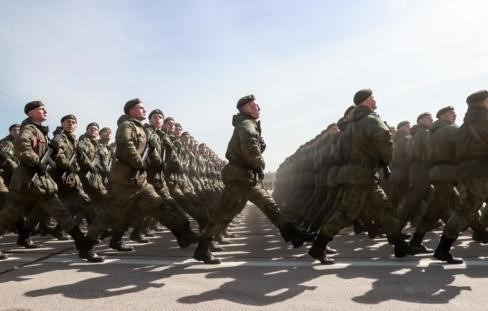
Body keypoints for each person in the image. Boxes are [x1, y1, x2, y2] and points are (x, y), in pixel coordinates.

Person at [193, 94, 315, 264]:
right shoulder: (246, 124)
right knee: (229, 213)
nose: (259, 108)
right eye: (255, 105)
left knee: (264, 207)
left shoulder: (250, 124)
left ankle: (294, 236)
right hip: (240, 178)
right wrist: (259, 163)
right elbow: (249, 146)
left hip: (245, 177)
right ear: (247, 108)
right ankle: (202, 248)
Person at [308, 89, 414, 264]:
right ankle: (318, 247)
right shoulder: (371, 120)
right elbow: (384, 139)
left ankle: (400, 245)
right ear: (366, 101)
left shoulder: (349, 127)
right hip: (363, 175)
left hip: (357, 174)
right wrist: (386, 160)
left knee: (384, 208)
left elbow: (338, 152)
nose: (375, 100)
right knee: (346, 213)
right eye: (372, 98)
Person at [0, 101, 99, 262]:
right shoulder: (29, 129)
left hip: (41, 182)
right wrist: (36, 162)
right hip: (25, 181)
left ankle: (83, 247)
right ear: (30, 113)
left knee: (61, 212)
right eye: (41, 109)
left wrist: (49, 152)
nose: (45, 111)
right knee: (8, 216)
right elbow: (22, 146)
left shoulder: (41, 132)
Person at [434, 90, 488, 264]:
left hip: (469, 169)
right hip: (479, 170)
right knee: (465, 208)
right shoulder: (482, 120)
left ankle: (481, 233)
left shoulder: (466, 125)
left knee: (468, 206)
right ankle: (443, 249)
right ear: (483, 102)